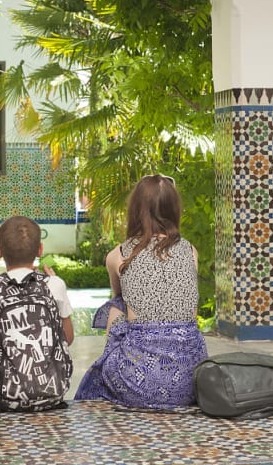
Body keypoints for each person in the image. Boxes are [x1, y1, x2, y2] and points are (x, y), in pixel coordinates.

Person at [75, 174, 207, 409]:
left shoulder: (118, 255)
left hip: (136, 383)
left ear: (135, 210)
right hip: (191, 381)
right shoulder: (191, 251)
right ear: (174, 209)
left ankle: (114, 370)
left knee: (116, 304)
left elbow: (119, 296)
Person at [0, 216, 74, 345]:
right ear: (40, 250)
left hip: (4, 364)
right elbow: (68, 338)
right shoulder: (55, 284)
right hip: (49, 365)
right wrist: (51, 280)